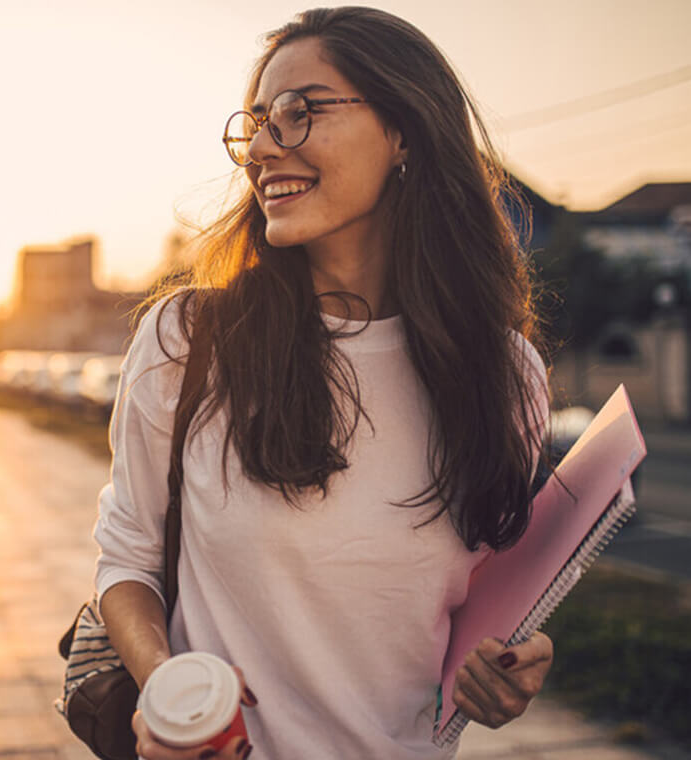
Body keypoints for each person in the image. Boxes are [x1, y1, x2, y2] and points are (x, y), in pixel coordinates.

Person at [93, 7, 553, 759]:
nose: (264, 149)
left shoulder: (505, 375)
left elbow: (487, 603)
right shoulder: (189, 342)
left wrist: (516, 665)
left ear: (405, 130)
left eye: (300, 113)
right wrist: (170, 691)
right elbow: (128, 559)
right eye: (259, 122)